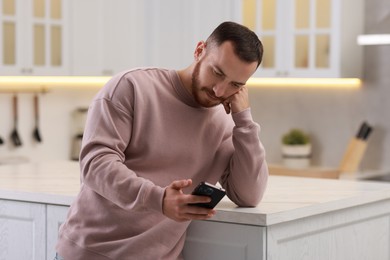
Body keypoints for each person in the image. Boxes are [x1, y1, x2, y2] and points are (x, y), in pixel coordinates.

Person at [55, 21, 268, 260]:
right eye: (217, 73)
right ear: (199, 51)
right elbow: (95, 164)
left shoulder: (227, 124)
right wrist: (159, 199)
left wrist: (244, 121)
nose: (219, 91)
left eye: (235, 85)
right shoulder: (132, 86)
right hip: (92, 253)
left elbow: (248, 195)